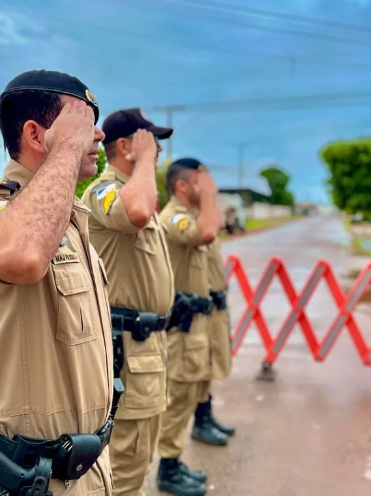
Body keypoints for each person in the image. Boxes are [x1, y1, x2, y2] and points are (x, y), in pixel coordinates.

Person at [0, 70, 118, 496]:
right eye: (82, 123)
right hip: (26, 477)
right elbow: (21, 256)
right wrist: (65, 147)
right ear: (35, 133)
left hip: (86, 467)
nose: (97, 136)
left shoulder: (73, 220)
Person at [79, 108, 176, 496]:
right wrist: (147, 161)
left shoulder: (135, 190)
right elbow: (135, 211)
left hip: (148, 348)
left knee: (137, 460)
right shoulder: (105, 190)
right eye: (150, 142)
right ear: (125, 145)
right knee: (123, 468)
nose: (158, 151)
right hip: (128, 351)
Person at [156, 158, 222, 496]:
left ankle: (174, 461)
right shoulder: (174, 217)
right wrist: (210, 195)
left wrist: (207, 195)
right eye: (201, 182)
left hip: (197, 323)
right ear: (183, 186)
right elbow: (207, 232)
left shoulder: (191, 213)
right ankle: (167, 468)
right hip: (182, 328)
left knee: (191, 391)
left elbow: (215, 227)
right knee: (178, 398)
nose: (210, 188)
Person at [191, 235, 236, 445]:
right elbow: (208, 231)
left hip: (212, 308)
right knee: (193, 376)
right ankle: (199, 425)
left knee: (209, 367)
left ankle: (205, 417)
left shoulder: (202, 220)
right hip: (197, 311)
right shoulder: (180, 220)